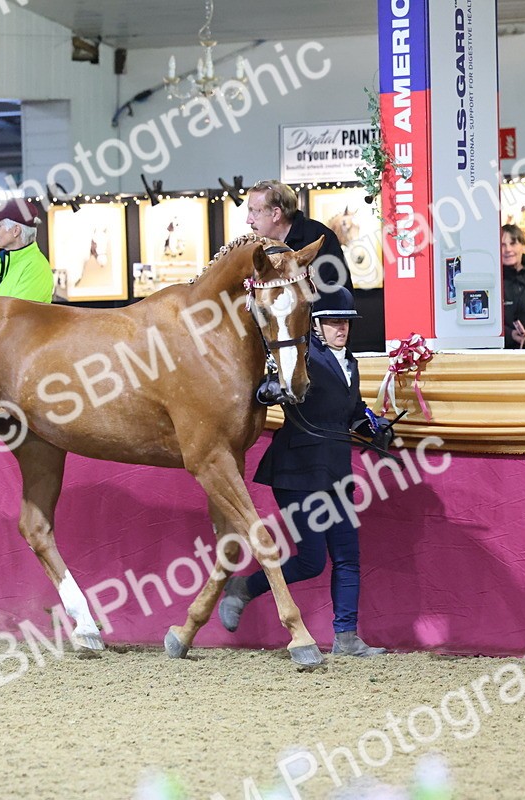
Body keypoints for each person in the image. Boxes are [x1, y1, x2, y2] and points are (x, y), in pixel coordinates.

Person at [218, 287, 387, 657]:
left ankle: (345, 637)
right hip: (298, 471)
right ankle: (244, 588)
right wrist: (269, 390)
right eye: (332, 322)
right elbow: (267, 387)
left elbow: (352, 409)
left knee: (347, 557)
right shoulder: (303, 354)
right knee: (311, 560)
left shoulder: (350, 362)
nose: (340, 329)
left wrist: (373, 425)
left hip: (336, 472)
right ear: (315, 325)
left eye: (345, 322)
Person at [246, 179, 354, 292]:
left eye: (254, 211)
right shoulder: (255, 245)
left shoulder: (319, 238)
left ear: (276, 214)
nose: (248, 220)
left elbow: (337, 295)